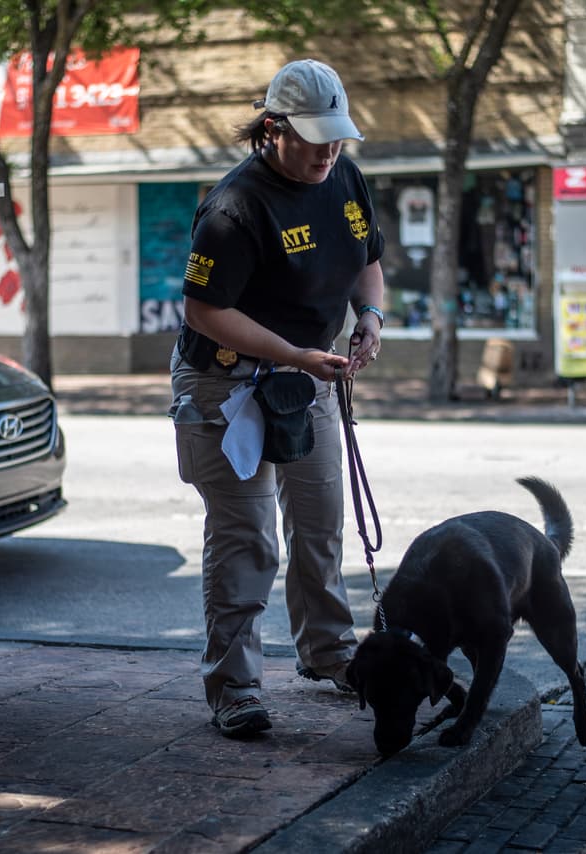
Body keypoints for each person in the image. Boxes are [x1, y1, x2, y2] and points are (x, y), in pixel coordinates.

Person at [169, 58, 386, 739]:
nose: (328, 149)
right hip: (226, 383)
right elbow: (204, 311)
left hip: (309, 378)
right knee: (245, 537)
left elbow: (368, 261)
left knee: (320, 520)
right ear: (273, 129)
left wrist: (370, 318)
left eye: (338, 136)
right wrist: (292, 354)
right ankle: (234, 685)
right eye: (315, 136)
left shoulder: (344, 175)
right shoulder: (235, 207)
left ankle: (330, 653)